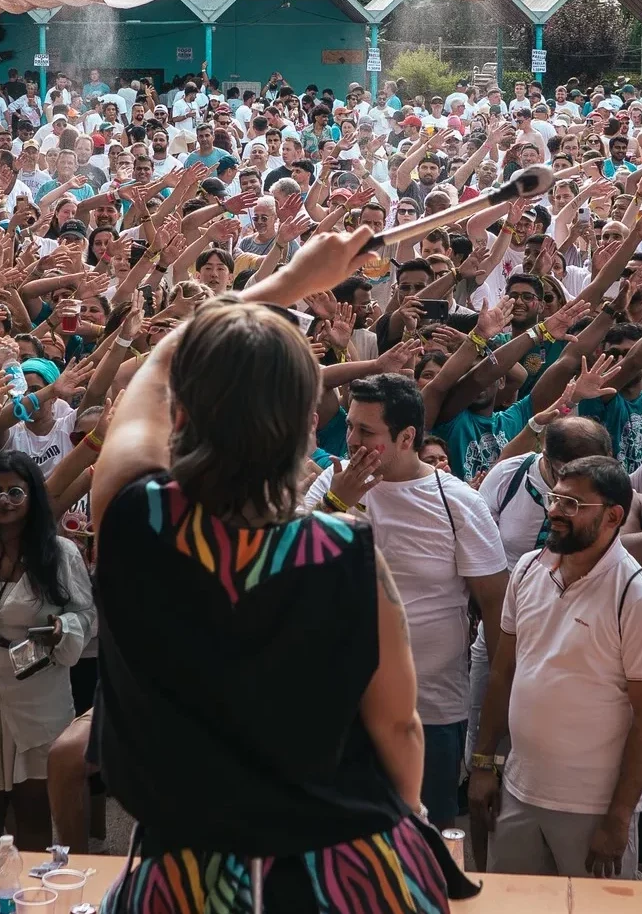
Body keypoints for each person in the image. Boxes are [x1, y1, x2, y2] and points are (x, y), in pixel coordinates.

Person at [90, 229, 467, 913]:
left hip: (186, 880)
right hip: (351, 873)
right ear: (306, 427)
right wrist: (404, 834)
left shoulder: (133, 518)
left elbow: (157, 364)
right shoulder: (345, 552)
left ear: (182, 416)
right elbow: (399, 727)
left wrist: (287, 283)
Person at [306, 371, 509, 827]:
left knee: (421, 846)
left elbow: (497, 611)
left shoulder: (457, 503)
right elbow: (294, 576)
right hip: (339, 709)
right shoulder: (332, 483)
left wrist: (489, 739)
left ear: (406, 438)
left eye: (366, 432)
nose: (351, 441)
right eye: (350, 426)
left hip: (430, 716)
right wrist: (337, 503)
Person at [470, 455, 642, 877]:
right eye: (554, 499)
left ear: (613, 516)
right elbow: (502, 673)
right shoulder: (528, 569)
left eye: (572, 504)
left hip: (593, 810)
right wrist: (484, 762)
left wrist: (617, 819)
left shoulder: (637, 598)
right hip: (520, 792)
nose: (555, 512)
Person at [0, 450, 94, 851]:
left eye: (15, 492)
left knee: (34, 813)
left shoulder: (60, 553)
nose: (3, 501)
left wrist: (63, 628)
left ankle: (28, 889)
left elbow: (86, 614)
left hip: (37, 700)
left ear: (32, 497)